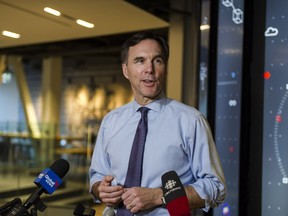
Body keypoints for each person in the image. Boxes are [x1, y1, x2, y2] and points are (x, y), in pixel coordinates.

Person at [89, 31, 226, 215]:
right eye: (140, 61)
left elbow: (215, 187)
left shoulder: (190, 121)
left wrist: (159, 196)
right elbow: (97, 175)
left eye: (157, 61)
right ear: (125, 70)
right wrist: (100, 189)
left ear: (165, 68)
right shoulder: (110, 121)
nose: (149, 69)